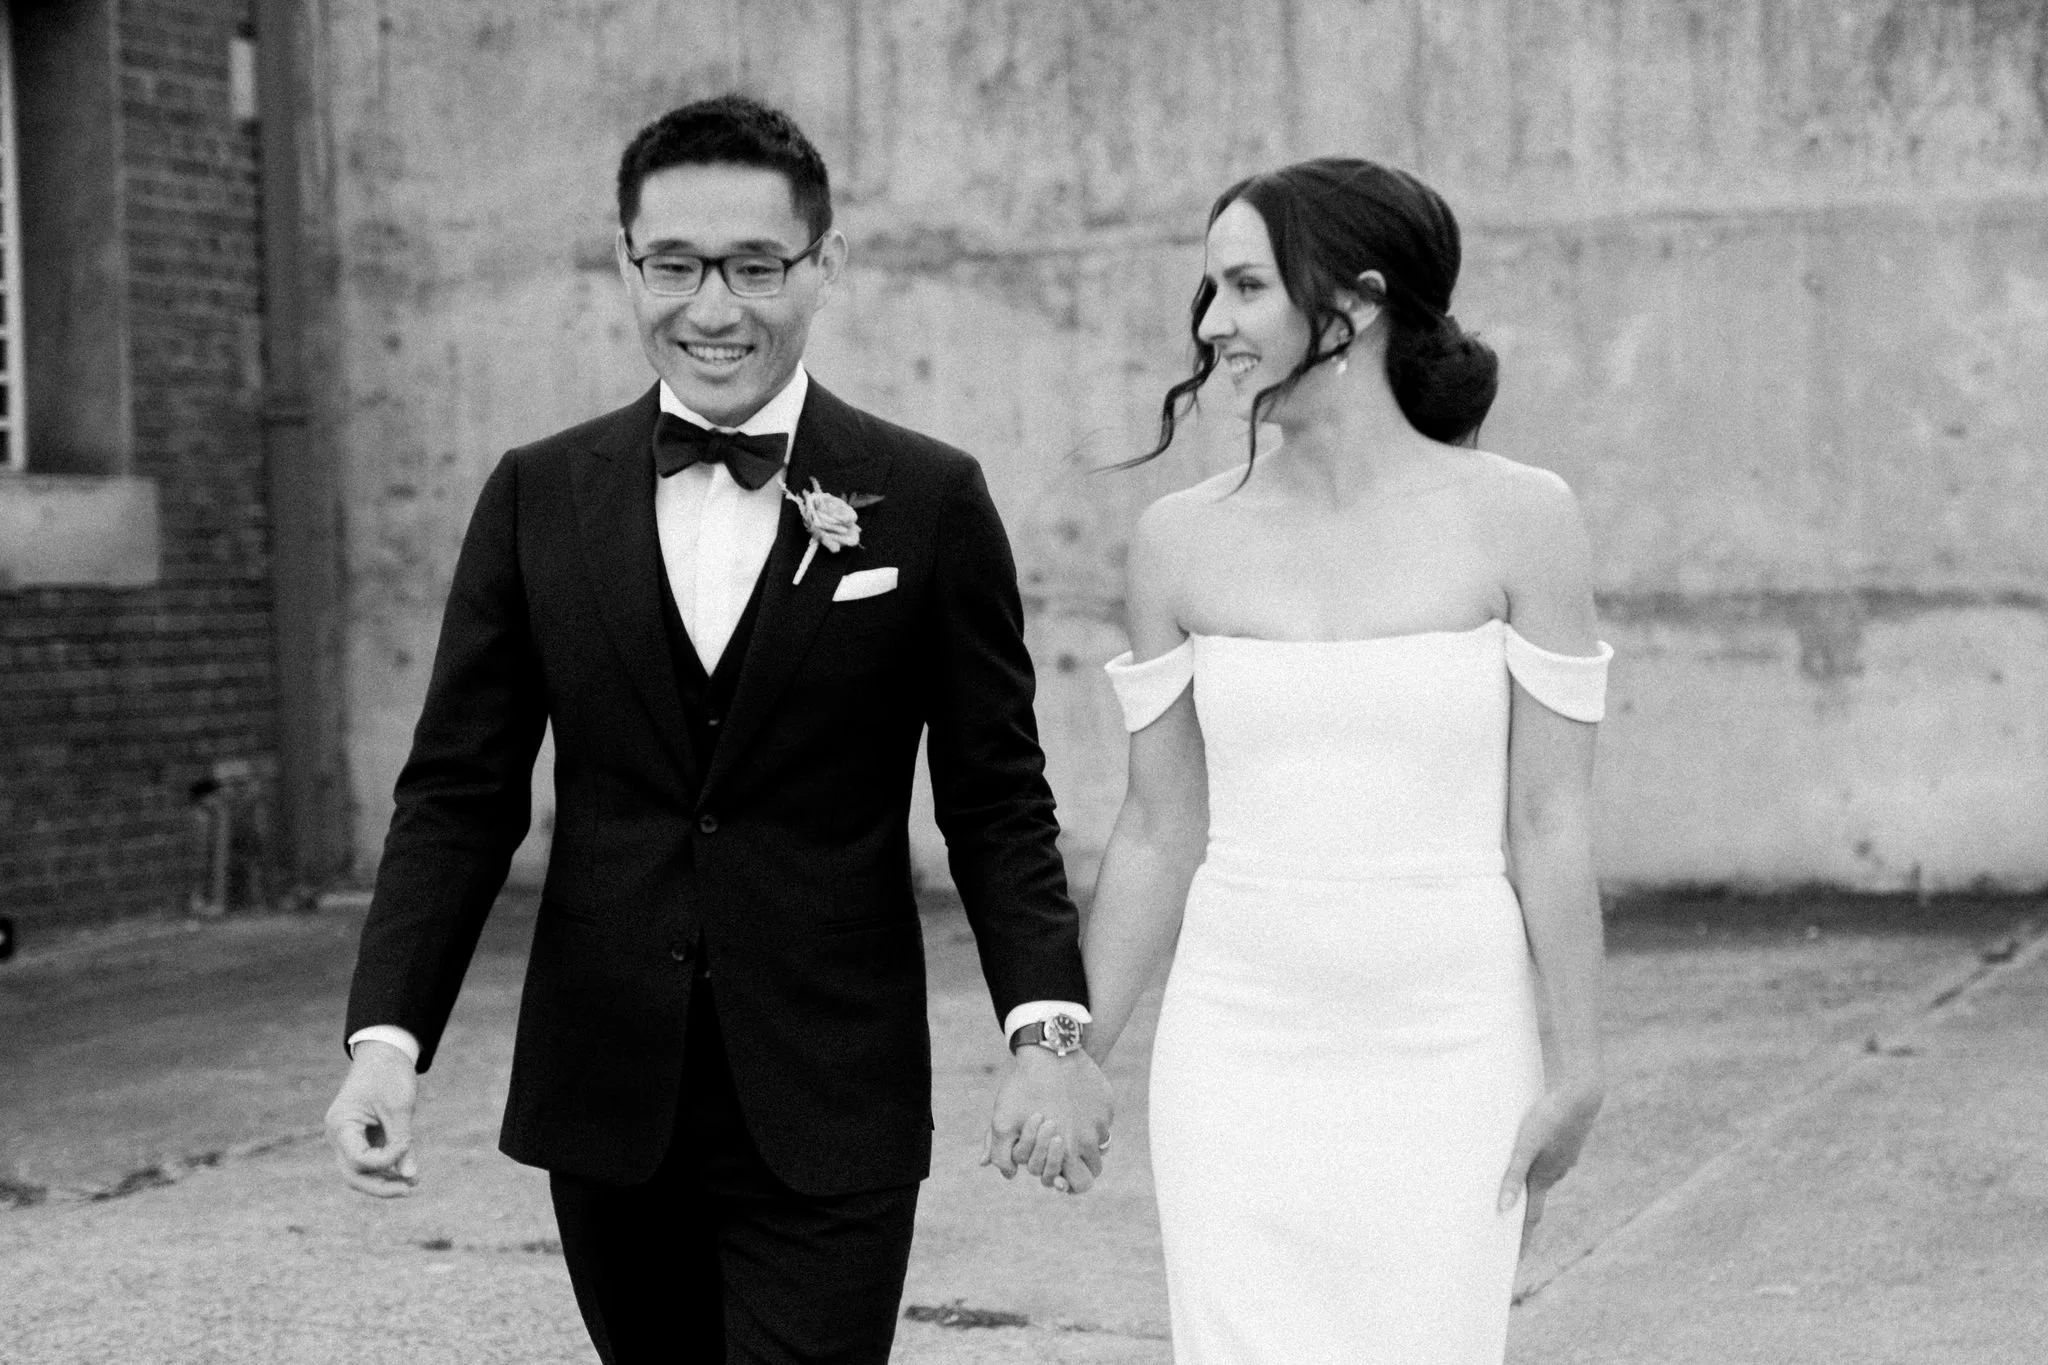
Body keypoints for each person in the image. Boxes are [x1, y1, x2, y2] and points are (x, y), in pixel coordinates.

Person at [322, 94, 1113, 1365]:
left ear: (825, 264)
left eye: (756, 266)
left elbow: (996, 798)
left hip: (828, 1088)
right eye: (674, 265)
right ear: (625, 261)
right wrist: (386, 1041)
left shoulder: (926, 497)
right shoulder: (536, 493)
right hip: (605, 1092)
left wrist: (1048, 1034)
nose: (712, 308)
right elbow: (459, 794)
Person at [1074, 158, 1611, 1362]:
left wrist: (1576, 1067)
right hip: (1234, 1041)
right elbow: (1160, 830)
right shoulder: (1176, 541)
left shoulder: (1523, 516)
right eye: (1206, 290)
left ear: (1355, 302)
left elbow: (1549, 820)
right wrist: (1065, 1053)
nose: (1211, 325)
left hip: (1451, 1041)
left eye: (1244, 287)